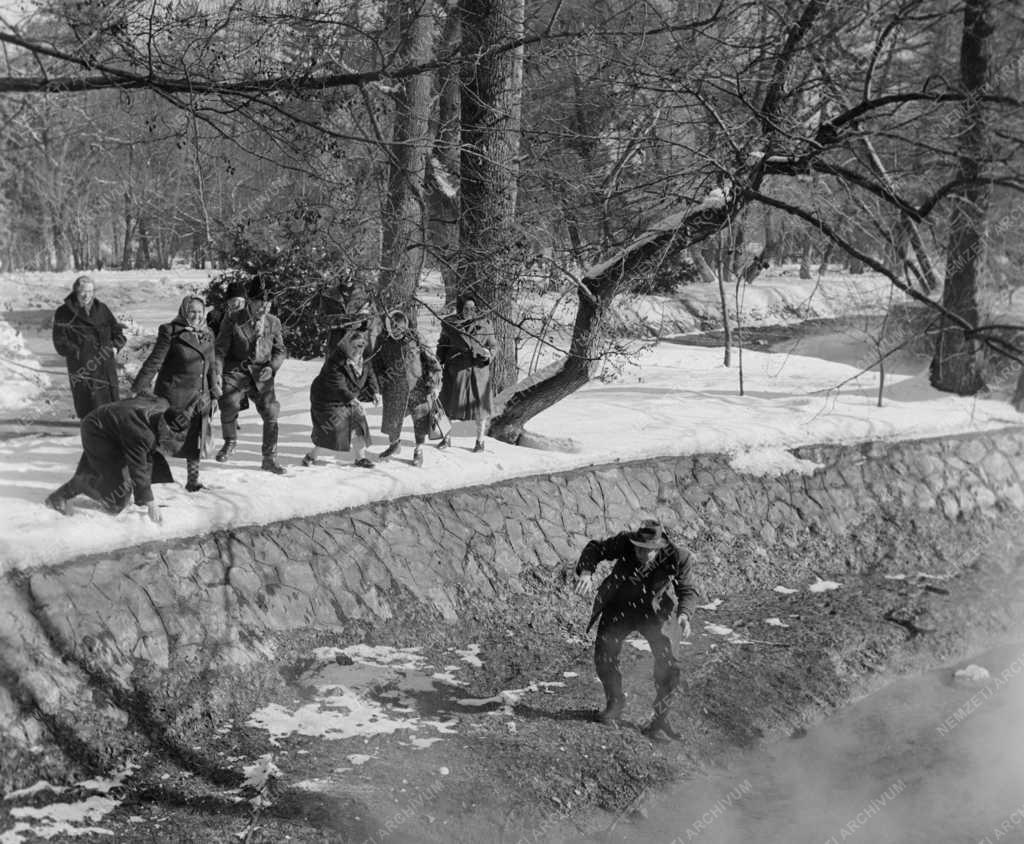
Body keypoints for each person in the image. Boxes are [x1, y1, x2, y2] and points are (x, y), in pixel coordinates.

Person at [573, 518, 698, 741]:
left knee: (670, 666)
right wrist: (586, 572)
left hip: (656, 612)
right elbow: (595, 549)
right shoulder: (624, 542)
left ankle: (659, 721)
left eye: (647, 551)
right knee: (604, 655)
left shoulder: (679, 557)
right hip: (620, 606)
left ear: (659, 548)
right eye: (639, 548)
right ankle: (614, 703)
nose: (641, 553)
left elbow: (687, 590)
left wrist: (685, 615)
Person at [44, 395, 197, 524]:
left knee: (119, 475)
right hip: (96, 431)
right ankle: (70, 490)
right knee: (115, 504)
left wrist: (143, 498)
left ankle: (70, 489)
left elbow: (146, 460)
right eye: (167, 444)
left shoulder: (163, 408)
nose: (167, 449)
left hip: (112, 425)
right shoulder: (142, 434)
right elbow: (138, 468)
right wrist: (151, 504)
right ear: (163, 430)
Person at [132, 295, 218, 492]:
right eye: (192, 312)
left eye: (200, 312)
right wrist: (139, 387)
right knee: (159, 439)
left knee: (195, 440)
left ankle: (193, 481)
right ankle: (144, 482)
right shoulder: (170, 331)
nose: (196, 316)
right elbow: (155, 361)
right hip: (173, 396)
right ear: (184, 311)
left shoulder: (208, 333)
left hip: (199, 397)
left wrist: (213, 393)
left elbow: (212, 365)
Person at [213, 278, 288, 474]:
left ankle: (269, 458)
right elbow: (220, 350)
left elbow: (280, 351)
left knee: (271, 412)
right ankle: (230, 442)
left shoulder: (274, 322)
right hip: (236, 370)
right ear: (250, 302)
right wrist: (218, 373)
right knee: (228, 402)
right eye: (260, 303)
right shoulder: (233, 319)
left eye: (268, 304)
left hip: (262, 373)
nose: (264, 307)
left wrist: (272, 367)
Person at [371, 310, 442, 468]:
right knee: (392, 419)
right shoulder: (382, 341)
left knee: (420, 419)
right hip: (393, 388)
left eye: (400, 329)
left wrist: (434, 384)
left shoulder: (415, 337)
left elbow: (432, 361)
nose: (397, 332)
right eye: (394, 329)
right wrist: (379, 387)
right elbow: (376, 366)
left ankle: (419, 450)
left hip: (416, 386)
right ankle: (394, 445)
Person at [303, 324, 380, 468]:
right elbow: (338, 386)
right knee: (332, 428)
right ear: (346, 344)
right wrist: (353, 401)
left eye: (361, 346)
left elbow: (370, 375)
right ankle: (312, 455)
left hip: (348, 397)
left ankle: (360, 458)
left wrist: (375, 392)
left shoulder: (364, 360)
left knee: (359, 424)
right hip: (326, 398)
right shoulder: (334, 361)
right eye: (355, 346)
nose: (358, 350)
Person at [52, 275, 127, 418]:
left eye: (90, 291)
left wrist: (116, 346)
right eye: (82, 291)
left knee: (110, 406)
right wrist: (77, 352)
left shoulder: (102, 309)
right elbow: (59, 341)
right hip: (83, 365)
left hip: (106, 364)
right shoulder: (64, 312)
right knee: (89, 407)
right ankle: (90, 434)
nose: (86, 295)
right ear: (75, 291)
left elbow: (117, 331)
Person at [436, 293, 495, 452]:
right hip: (455, 371)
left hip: (478, 372)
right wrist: (437, 362)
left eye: (473, 308)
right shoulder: (450, 325)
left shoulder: (485, 324)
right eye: (466, 308)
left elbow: (494, 346)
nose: (470, 311)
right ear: (460, 309)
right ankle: (445, 438)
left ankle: (480, 441)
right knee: (445, 405)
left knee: (480, 410)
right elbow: (442, 346)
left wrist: (488, 354)